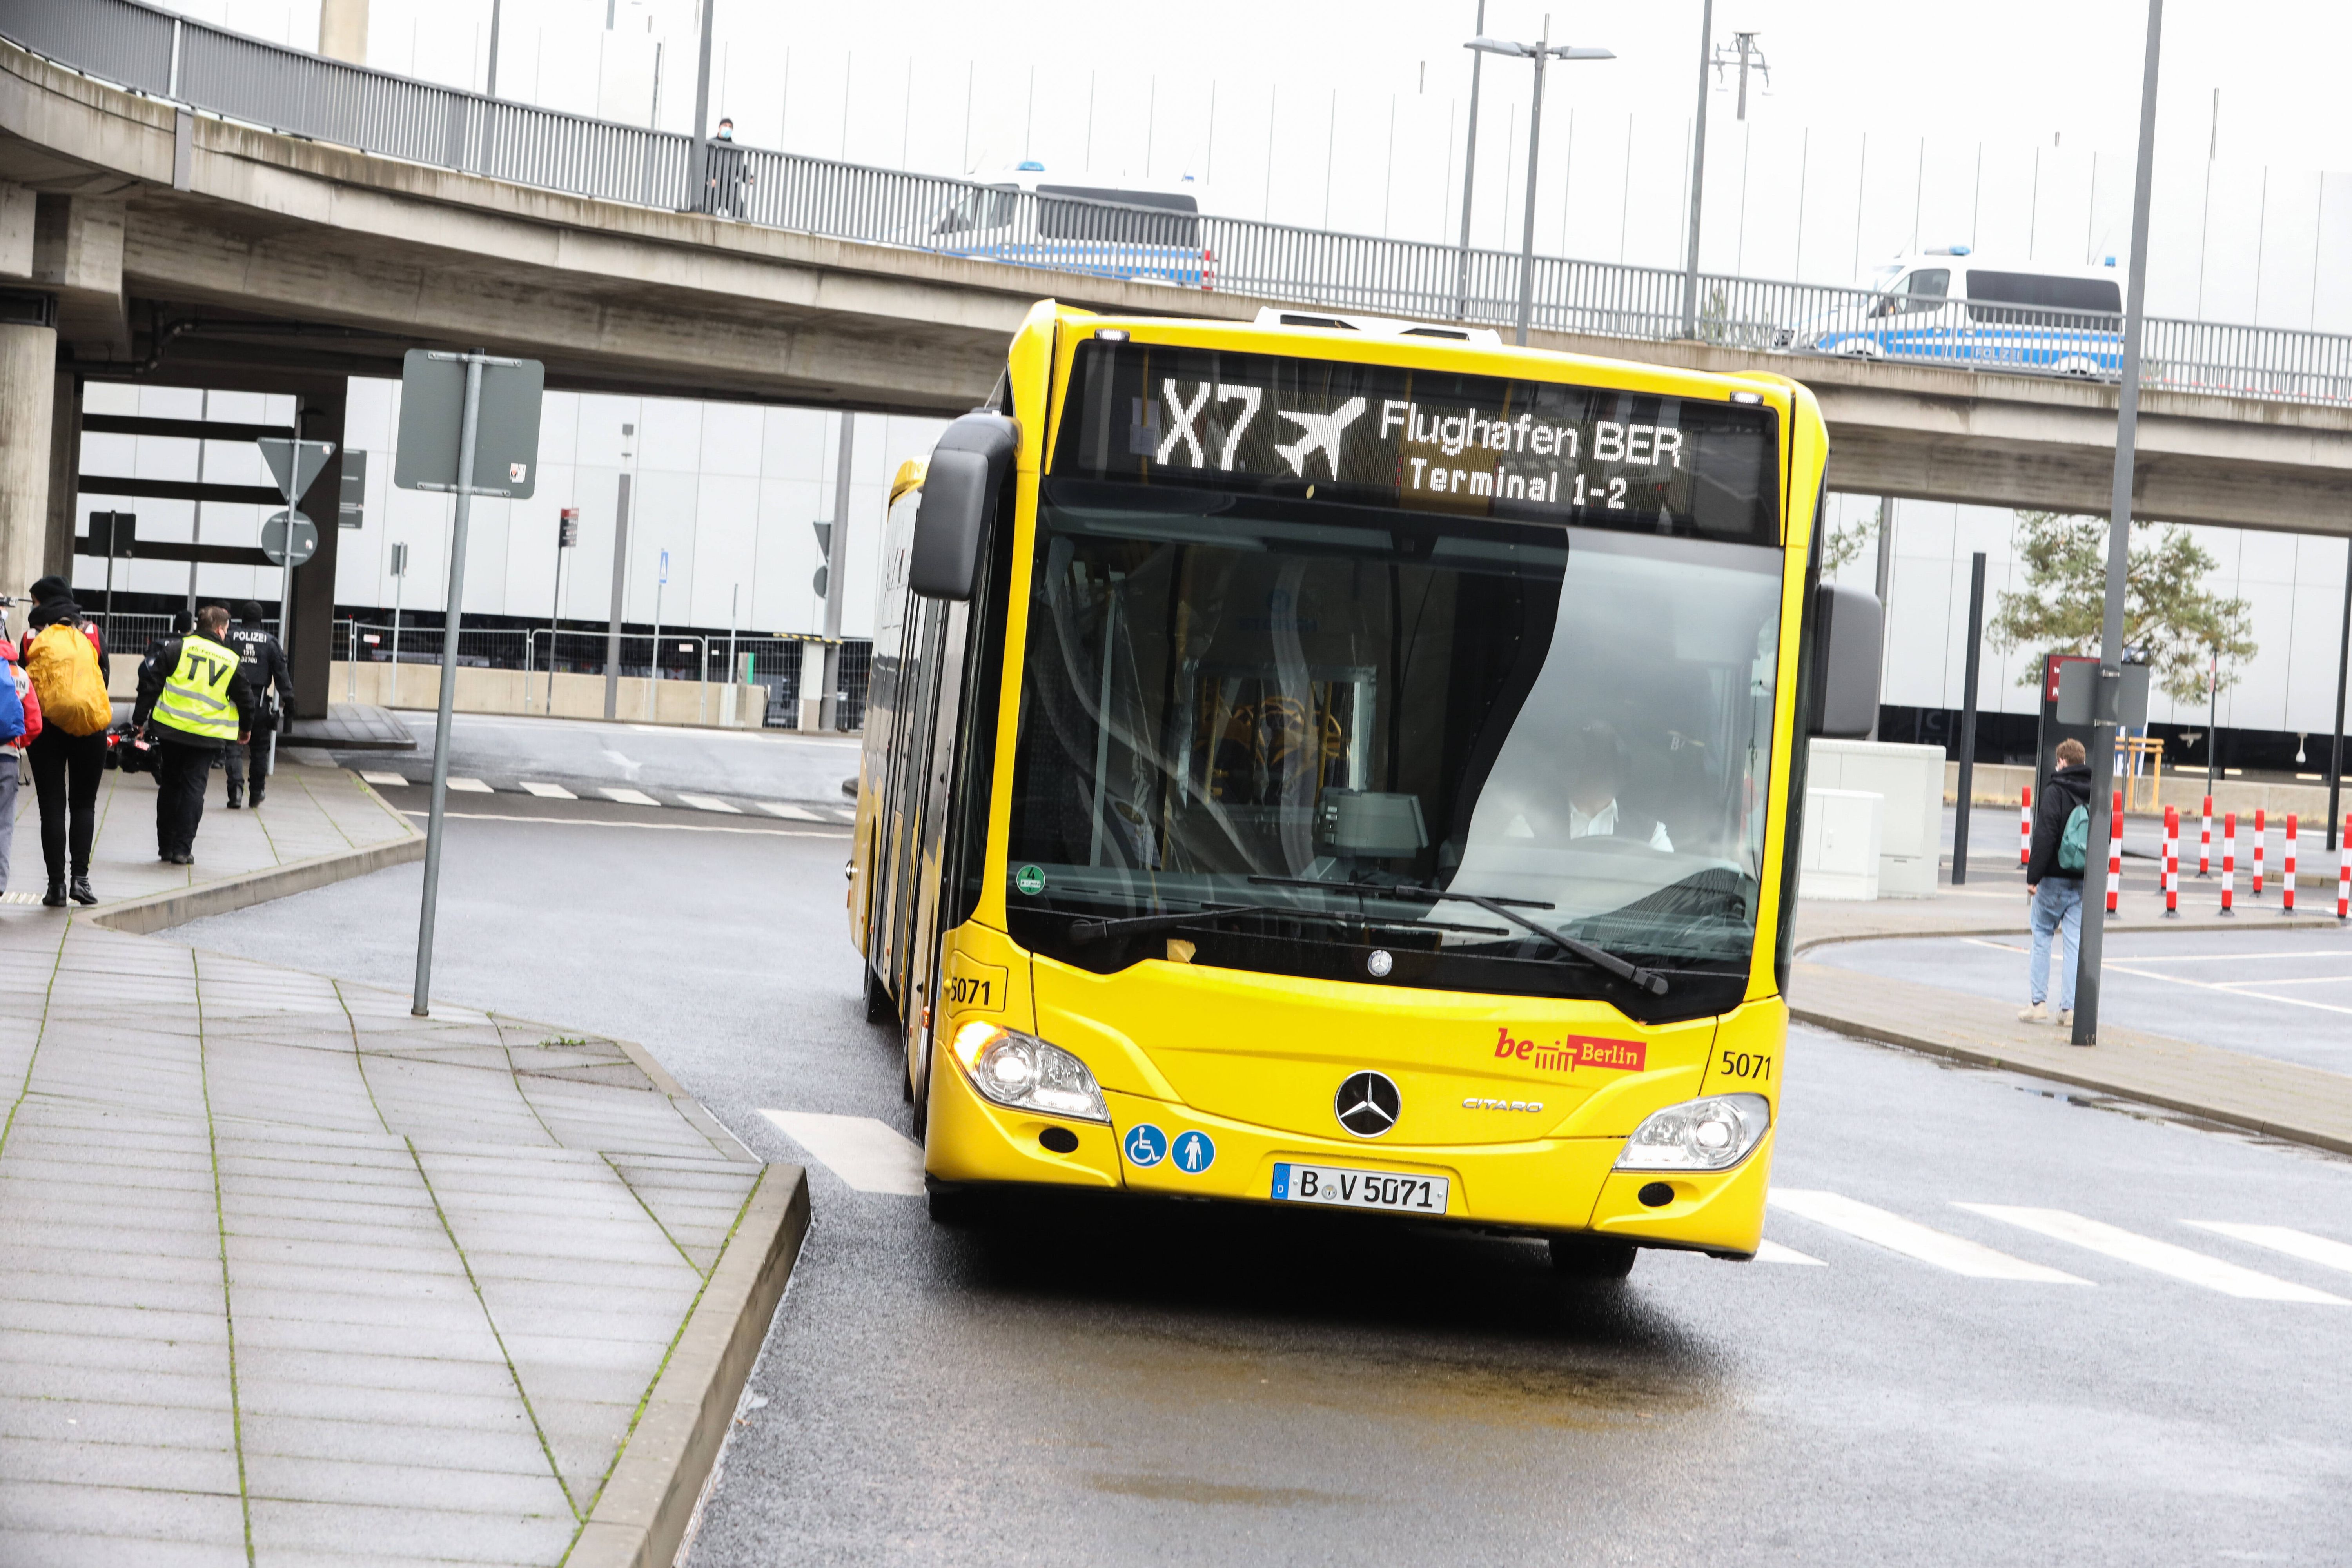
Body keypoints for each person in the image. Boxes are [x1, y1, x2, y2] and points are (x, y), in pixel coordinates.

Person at [132, 604, 253, 866]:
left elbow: (150, 685)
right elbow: (246, 699)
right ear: (221, 629)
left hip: (171, 730)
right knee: (194, 789)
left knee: (170, 785)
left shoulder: (177, 648)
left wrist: (139, 720)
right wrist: (246, 729)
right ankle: (182, 850)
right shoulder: (230, 660)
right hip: (205, 736)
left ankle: (165, 847)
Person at [22, 577, 112, 906]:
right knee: (84, 804)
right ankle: (81, 881)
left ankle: (56, 887)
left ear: (42, 602)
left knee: (52, 806)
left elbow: (24, 684)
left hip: (46, 729)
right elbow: (104, 678)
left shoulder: (31, 636)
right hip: (89, 728)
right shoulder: (93, 633)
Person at [2022, 736, 2093, 1029]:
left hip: (2053, 877)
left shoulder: (2056, 791)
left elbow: (2045, 835)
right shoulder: (2096, 792)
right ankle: (2070, 1010)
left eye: (2057, 761)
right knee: (2074, 944)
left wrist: (2033, 876)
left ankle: (2038, 1004)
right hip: (2082, 880)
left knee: (2041, 933)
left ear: (2063, 762)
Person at [221, 601, 293, 809]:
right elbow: (282, 676)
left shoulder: (231, 638)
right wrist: (290, 703)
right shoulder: (270, 642)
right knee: (260, 751)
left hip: (232, 702)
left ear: (242, 618)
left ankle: (235, 791)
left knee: (234, 749)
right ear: (260, 618)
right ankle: (256, 793)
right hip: (259, 702)